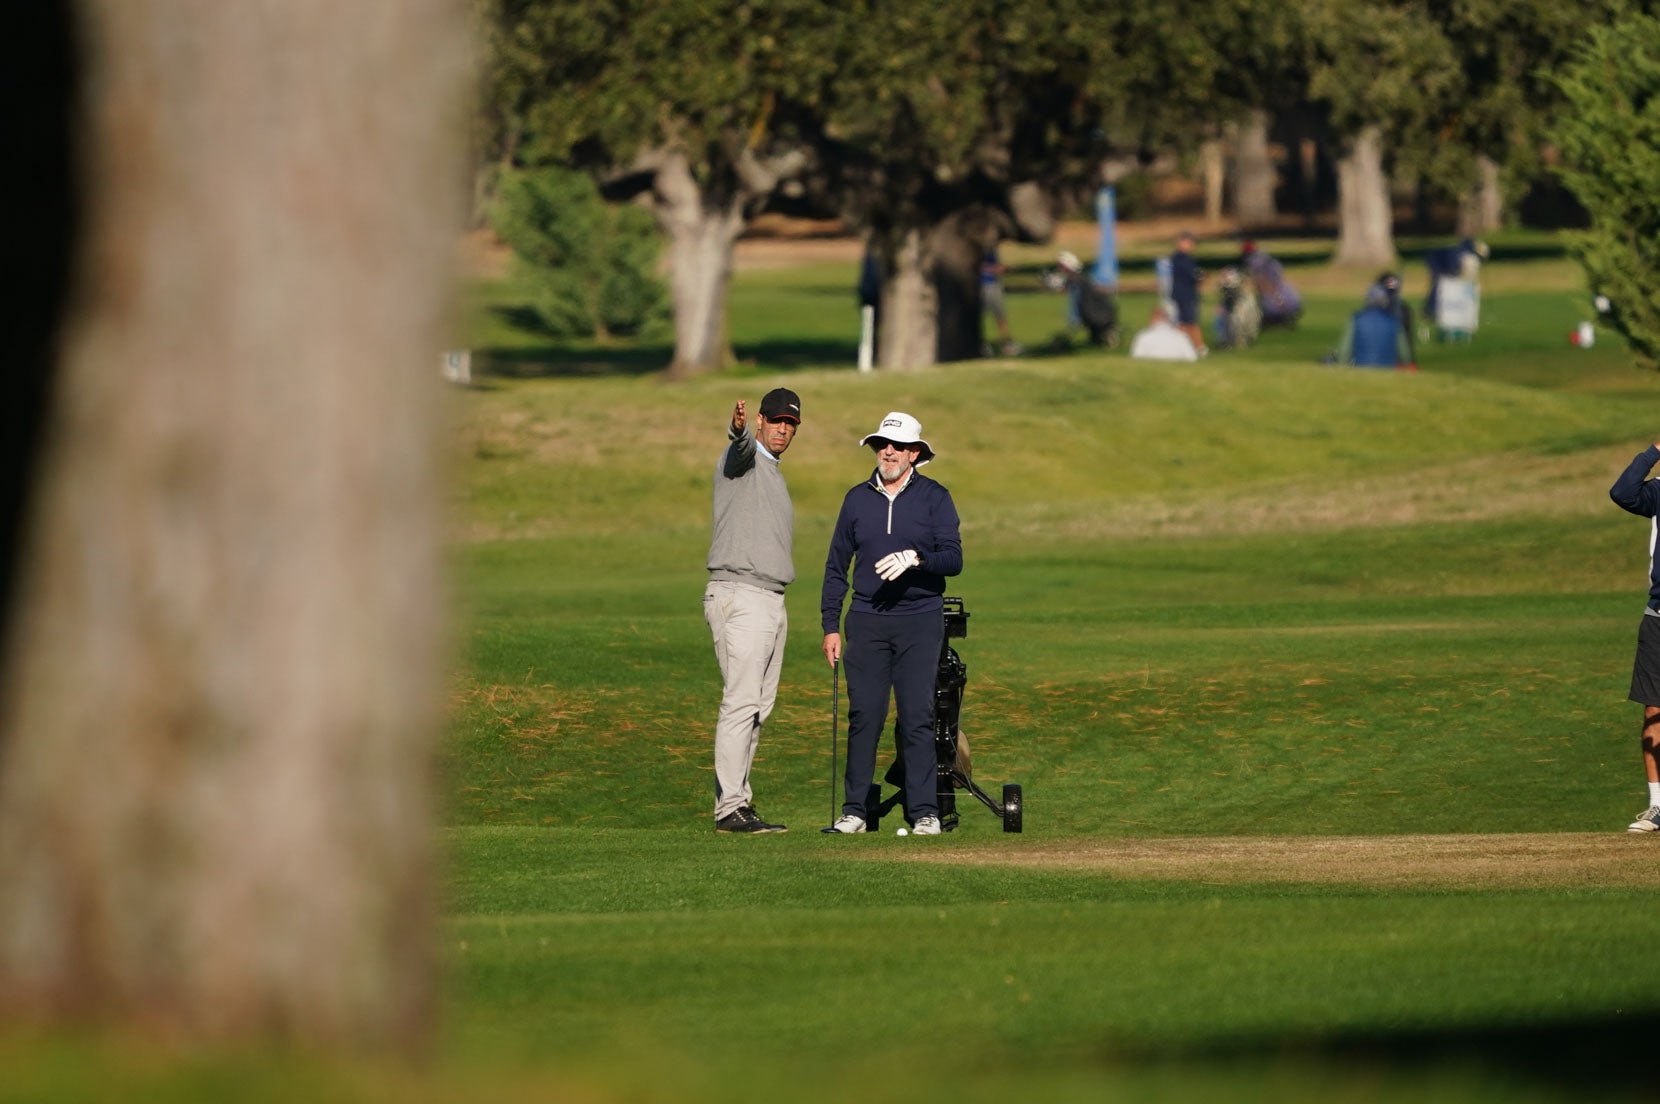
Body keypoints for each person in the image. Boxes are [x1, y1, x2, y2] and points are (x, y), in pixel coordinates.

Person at [821, 412, 963, 836]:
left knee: (918, 716)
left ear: (915, 453)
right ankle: (856, 811)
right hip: (866, 620)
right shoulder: (856, 499)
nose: (888, 451)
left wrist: (917, 560)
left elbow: (953, 559)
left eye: (898, 446)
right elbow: (835, 567)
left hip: (919, 619)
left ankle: (925, 813)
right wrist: (830, 625)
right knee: (864, 715)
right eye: (881, 444)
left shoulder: (935, 497)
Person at [703, 388, 801, 834]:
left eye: (791, 422)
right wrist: (738, 429)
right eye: (776, 420)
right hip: (741, 593)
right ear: (760, 420)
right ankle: (730, 810)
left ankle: (738, 802)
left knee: (758, 706)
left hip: (769, 598)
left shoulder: (774, 472)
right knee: (741, 702)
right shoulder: (742, 459)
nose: (783, 428)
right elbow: (738, 446)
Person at [1609, 440, 1660, 832]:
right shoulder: (1659, 490)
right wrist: (1653, 450)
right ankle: (1658, 806)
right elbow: (1623, 492)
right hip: (1658, 617)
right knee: (1654, 709)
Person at [1334, 284, 1413, 369]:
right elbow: (1405, 354)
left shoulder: (1356, 319)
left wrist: (1341, 364)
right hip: (1388, 370)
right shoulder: (1394, 321)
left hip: (1361, 368)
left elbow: (1344, 350)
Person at [1168, 231, 1207, 355]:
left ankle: (1185, 346)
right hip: (1185, 295)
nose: (1191, 246)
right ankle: (1199, 347)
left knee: (1184, 322)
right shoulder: (1181, 259)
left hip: (1183, 294)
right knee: (1190, 322)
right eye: (1189, 243)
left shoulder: (1182, 258)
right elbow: (1194, 275)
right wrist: (1202, 277)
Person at [980, 245, 1019, 355]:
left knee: (1000, 315)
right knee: (980, 316)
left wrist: (1004, 268)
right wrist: (995, 269)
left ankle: (1006, 343)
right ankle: (981, 345)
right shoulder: (978, 247)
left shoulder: (992, 248)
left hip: (994, 284)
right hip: (983, 284)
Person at [1129, 306, 1199, 361]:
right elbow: (1192, 358)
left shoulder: (1143, 336)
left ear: (1152, 319)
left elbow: (1136, 357)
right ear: (1168, 319)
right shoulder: (1181, 336)